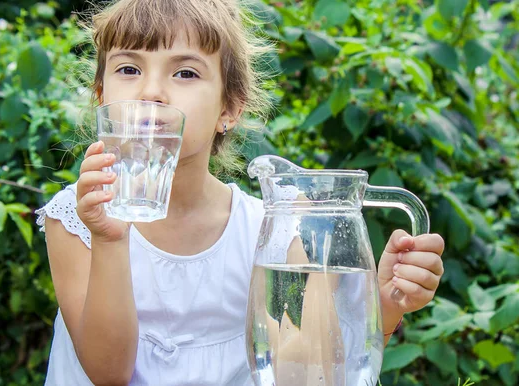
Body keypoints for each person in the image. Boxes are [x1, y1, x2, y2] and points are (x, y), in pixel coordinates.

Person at [35, 0, 445, 385]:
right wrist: (110, 239)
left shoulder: (273, 230)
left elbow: (306, 373)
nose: (151, 93)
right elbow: (108, 374)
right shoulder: (77, 217)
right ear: (102, 95)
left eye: (185, 73)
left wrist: (386, 305)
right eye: (128, 69)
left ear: (229, 109)